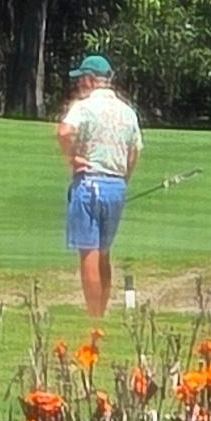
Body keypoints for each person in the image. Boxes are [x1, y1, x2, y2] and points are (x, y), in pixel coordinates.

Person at [52, 51, 142, 318]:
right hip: (116, 186)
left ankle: (94, 318)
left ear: (91, 80)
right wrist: (124, 179)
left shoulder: (85, 106)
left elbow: (64, 132)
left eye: (81, 79)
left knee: (89, 253)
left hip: (90, 183)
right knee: (104, 253)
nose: (79, 85)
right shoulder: (127, 112)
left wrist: (72, 158)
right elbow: (135, 151)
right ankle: (101, 313)